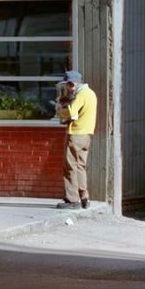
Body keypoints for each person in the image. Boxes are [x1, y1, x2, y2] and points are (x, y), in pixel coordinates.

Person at [56, 70, 97, 209]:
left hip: (76, 134)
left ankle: (72, 200)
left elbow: (71, 112)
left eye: (67, 85)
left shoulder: (80, 95)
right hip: (86, 134)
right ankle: (84, 197)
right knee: (80, 166)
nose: (67, 88)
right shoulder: (91, 93)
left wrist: (60, 108)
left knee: (70, 166)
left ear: (72, 83)